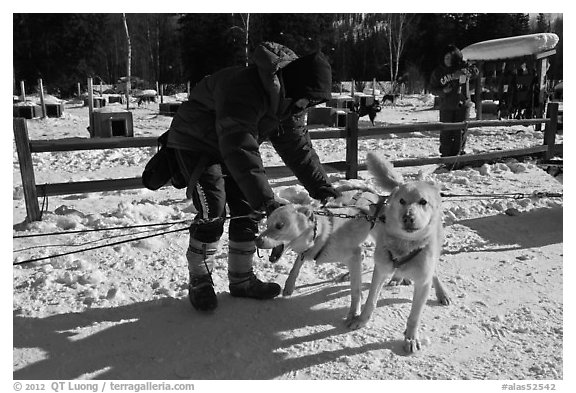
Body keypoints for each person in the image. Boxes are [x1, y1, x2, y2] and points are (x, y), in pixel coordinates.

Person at [161, 42, 341, 312]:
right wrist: (266, 200)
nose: (307, 105)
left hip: (231, 145)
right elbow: (239, 146)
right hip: (196, 143)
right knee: (214, 206)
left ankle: (242, 280)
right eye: (308, 99)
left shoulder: (290, 100)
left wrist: (322, 188)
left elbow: (297, 148)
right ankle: (200, 280)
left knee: (247, 206)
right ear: (294, 84)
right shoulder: (245, 87)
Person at [429, 44, 476, 162]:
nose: (448, 60)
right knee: (446, 131)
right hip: (446, 106)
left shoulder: (462, 67)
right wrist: (443, 91)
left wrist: (464, 72)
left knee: (460, 132)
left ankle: (458, 157)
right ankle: (445, 158)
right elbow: (433, 89)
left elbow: (475, 71)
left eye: (450, 58)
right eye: (446, 58)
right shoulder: (438, 72)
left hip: (462, 104)